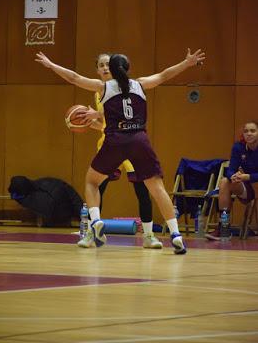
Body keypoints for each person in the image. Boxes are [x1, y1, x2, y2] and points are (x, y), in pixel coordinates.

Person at [35, 48, 205, 254]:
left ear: (112, 70)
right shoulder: (141, 83)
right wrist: (186, 63)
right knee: (157, 188)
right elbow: (164, 74)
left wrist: (51, 65)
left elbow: (73, 77)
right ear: (128, 68)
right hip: (139, 140)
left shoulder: (103, 87)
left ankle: (96, 222)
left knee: (91, 181)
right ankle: (176, 235)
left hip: (115, 140)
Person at [78, 53, 162, 249]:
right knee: (99, 188)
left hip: (129, 141)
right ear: (97, 70)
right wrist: (88, 122)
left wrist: (97, 114)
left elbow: (122, 116)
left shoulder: (128, 87)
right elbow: (104, 125)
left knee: (142, 190)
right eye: (101, 65)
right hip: (110, 142)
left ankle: (149, 235)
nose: (105, 68)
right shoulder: (97, 91)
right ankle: (93, 232)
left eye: (108, 64)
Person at [205, 121, 258, 241]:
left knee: (227, 181)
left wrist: (248, 177)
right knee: (225, 181)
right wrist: (233, 176)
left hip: (254, 184)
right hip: (246, 187)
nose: (249, 134)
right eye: (246, 131)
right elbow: (230, 169)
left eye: (253, 131)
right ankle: (224, 227)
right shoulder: (238, 147)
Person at [8, 175, 83, 226]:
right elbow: (74, 198)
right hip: (65, 197)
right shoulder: (44, 184)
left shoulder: (35, 198)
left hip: (61, 210)